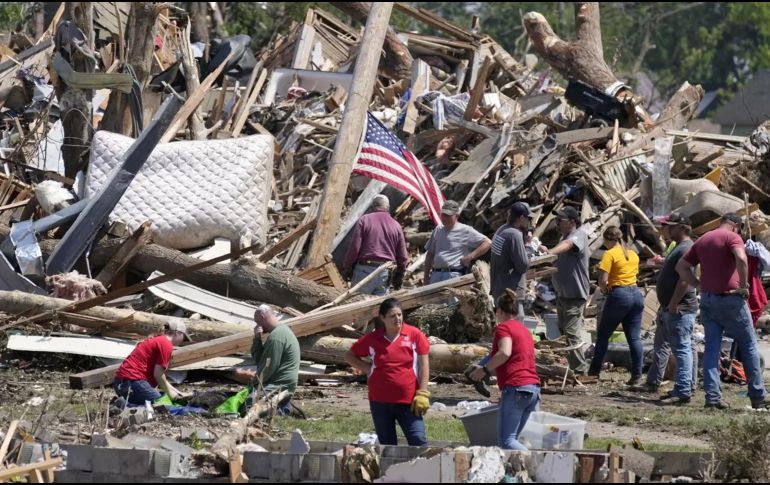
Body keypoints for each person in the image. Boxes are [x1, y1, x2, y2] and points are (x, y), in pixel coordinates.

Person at [676, 213, 770, 410]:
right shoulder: (732, 237)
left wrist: (699, 285)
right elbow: (742, 259)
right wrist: (743, 286)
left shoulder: (703, 239)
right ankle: (758, 396)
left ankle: (712, 397)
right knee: (749, 344)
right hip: (731, 298)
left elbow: (682, 267)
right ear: (735, 226)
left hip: (709, 300)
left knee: (712, 347)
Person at [345, 299, 431, 446]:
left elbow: (424, 365)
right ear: (382, 318)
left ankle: (422, 468)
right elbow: (349, 356)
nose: (397, 318)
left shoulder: (414, 335)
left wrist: (422, 393)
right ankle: (389, 469)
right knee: (387, 445)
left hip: (408, 401)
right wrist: (368, 369)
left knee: (418, 441)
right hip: (380, 401)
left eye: (399, 314)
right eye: (392, 316)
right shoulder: (373, 338)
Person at [632, 213, 698, 402]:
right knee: (672, 346)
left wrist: (674, 303)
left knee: (682, 349)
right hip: (670, 307)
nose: (666, 229)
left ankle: (683, 391)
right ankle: (670, 385)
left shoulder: (687, 248)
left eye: (671, 226)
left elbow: (685, 281)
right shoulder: (678, 247)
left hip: (679, 308)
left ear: (683, 228)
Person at [469, 289, 540, 451]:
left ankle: (538, 465)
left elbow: (505, 352)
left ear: (499, 311)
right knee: (514, 439)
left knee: (507, 442)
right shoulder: (524, 330)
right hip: (532, 389)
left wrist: (485, 370)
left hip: (516, 388)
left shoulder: (504, 328)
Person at [589, 226, 645, 385]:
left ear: (608, 239)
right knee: (634, 338)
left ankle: (593, 372)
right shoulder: (633, 254)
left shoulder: (609, 254)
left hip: (619, 295)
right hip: (636, 294)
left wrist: (605, 290)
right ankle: (637, 375)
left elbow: (602, 280)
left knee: (603, 336)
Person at [547, 206, 590, 374]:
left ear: (572, 222)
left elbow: (567, 245)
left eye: (560, 220)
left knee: (571, 332)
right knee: (564, 331)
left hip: (574, 294)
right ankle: (573, 366)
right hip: (563, 294)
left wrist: (549, 253)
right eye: (556, 220)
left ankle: (580, 369)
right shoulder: (563, 236)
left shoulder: (578, 234)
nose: (557, 223)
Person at [113, 319, 192, 405]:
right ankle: (125, 405)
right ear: (177, 333)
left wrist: (177, 392)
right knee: (164, 405)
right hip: (132, 382)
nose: (182, 341)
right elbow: (158, 375)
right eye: (183, 337)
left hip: (121, 383)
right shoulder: (166, 344)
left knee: (165, 399)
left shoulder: (158, 340)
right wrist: (171, 394)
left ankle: (125, 403)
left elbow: (161, 376)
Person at [343, 195, 409, 295]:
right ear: (388, 207)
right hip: (384, 273)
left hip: (364, 272)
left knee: (357, 305)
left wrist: (347, 266)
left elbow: (355, 248)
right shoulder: (396, 226)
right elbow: (403, 256)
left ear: (373, 206)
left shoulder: (365, 220)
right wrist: (400, 273)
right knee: (379, 308)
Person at [424, 200, 491, 285]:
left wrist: (470, 256)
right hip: (435, 275)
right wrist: (426, 277)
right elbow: (430, 254)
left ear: (457, 216)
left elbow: (487, 243)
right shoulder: (438, 229)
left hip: (453, 275)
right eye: (443, 215)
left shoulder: (465, 230)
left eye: (448, 215)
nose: (445, 218)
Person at [251, 305, 301, 414]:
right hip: (280, 384)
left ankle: (284, 409)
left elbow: (267, 368)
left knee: (248, 404)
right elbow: (259, 360)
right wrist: (257, 339)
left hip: (280, 385)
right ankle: (282, 405)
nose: (257, 325)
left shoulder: (276, 337)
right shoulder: (279, 332)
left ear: (262, 317)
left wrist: (254, 384)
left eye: (257, 321)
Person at [490, 202, 533, 313]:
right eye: (528, 218)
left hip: (499, 288)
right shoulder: (514, 234)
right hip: (511, 292)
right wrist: (528, 245)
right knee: (514, 326)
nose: (529, 222)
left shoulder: (502, 229)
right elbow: (523, 266)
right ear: (522, 218)